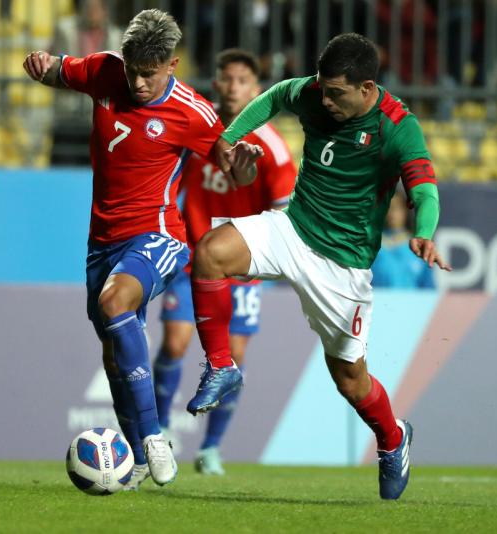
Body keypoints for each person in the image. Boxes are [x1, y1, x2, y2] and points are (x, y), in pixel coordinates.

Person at [184, 33, 451, 500]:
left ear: (368, 88)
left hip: (342, 266)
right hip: (293, 228)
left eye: (337, 93)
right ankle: (221, 365)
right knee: (210, 251)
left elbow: (424, 188)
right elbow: (273, 96)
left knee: (349, 379)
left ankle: (393, 437)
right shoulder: (314, 92)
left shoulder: (397, 127)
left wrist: (425, 230)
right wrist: (228, 137)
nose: (324, 100)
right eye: (322, 89)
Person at [22, 9, 262, 489]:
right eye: (131, 69)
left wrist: (246, 164)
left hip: (160, 235)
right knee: (114, 355)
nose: (136, 81)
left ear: (171, 65)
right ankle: (132, 463)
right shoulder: (105, 70)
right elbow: (61, 71)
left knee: (115, 302)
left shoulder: (193, 112)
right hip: (101, 243)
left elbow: (238, 171)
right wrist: (42, 65)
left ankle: (154, 437)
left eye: (148, 73)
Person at [153, 49, 296, 475]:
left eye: (242, 81)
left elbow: (283, 213)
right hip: (193, 257)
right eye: (227, 79)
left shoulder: (272, 148)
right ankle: (158, 433)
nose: (234, 88)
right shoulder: (198, 128)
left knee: (233, 356)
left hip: (241, 264)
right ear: (216, 83)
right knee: (175, 344)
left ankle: (211, 448)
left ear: (256, 90)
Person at [371, 190, 436, 288]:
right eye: (387, 207)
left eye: (396, 208)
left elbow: (428, 288)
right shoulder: (371, 245)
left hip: (412, 303)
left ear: (406, 210)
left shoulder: (420, 247)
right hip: (378, 302)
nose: (391, 213)